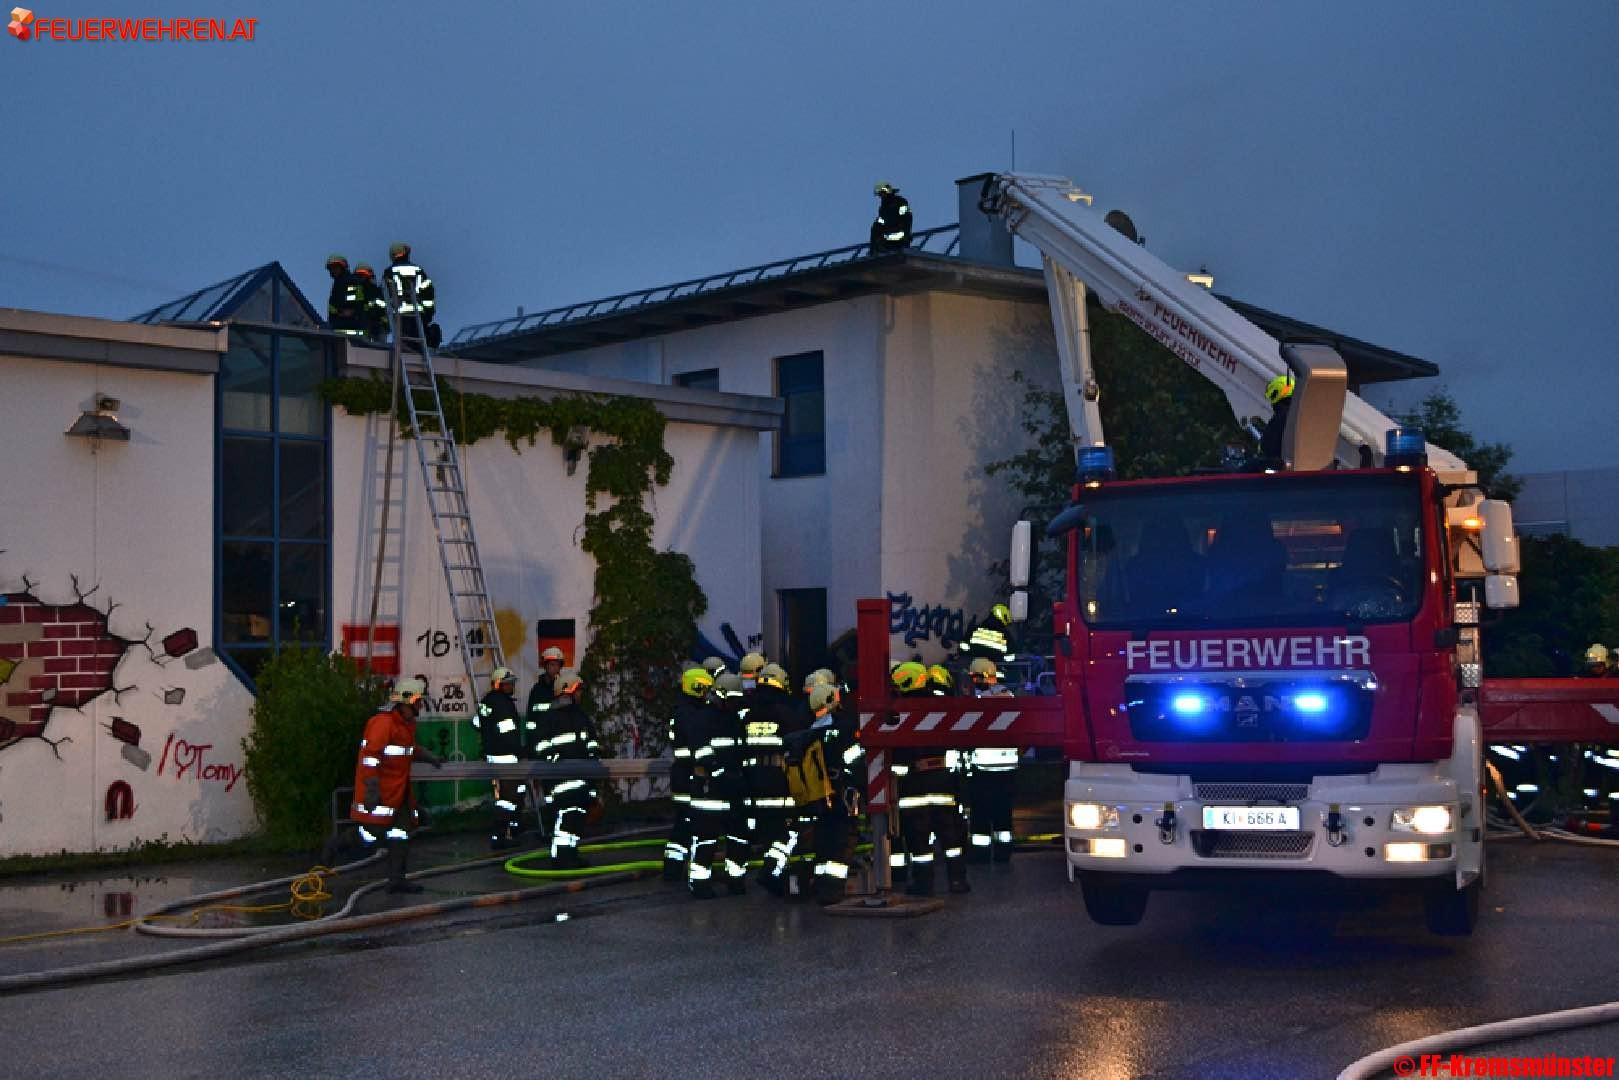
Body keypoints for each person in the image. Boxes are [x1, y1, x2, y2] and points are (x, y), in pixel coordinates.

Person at [351, 677, 443, 892]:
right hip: (382, 791)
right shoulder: (383, 723)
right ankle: (337, 845)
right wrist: (372, 790)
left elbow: (408, 750)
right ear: (406, 701)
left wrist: (431, 757)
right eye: (418, 701)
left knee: (400, 832)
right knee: (372, 832)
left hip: (398, 791)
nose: (421, 705)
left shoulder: (405, 724)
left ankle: (397, 880)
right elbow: (370, 757)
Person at [890, 662, 969, 897]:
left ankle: (924, 884)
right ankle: (957, 880)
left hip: (914, 785)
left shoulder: (899, 710)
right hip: (943, 781)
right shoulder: (940, 706)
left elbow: (897, 752)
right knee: (951, 835)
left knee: (918, 838)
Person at [687, 673, 751, 898]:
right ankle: (700, 883)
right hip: (709, 790)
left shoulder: (735, 720)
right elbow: (701, 751)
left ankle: (735, 880)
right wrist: (720, 773)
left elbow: (742, 750)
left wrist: (741, 777)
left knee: (739, 837)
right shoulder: (702, 719)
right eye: (732, 699)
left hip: (733, 788)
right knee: (706, 838)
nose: (735, 704)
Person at [533, 668, 601, 868]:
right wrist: (551, 757)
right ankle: (560, 858)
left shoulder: (580, 716)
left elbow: (591, 741)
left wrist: (593, 757)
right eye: (578, 691)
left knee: (577, 817)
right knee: (566, 818)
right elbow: (539, 744)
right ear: (567, 691)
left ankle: (570, 854)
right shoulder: (550, 718)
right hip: (561, 780)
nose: (581, 695)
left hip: (580, 779)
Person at [741, 661, 798, 895]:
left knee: (767, 834)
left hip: (753, 782)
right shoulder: (785, 712)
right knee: (790, 832)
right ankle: (772, 870)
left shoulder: (748, 713)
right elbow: (797, 744)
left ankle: (775, 875)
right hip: (779, 783)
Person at [966, 658, 1019, 865]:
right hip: (1008, 769)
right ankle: (1003, 852)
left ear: (981, 676)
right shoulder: (1009, 696)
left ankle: (980, 854)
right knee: (1003, 813)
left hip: (983, 768)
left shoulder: (979, 700)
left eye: (974, 677)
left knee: (981, 813)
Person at [665, 665, 713, 881]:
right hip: (689, 775)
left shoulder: (680, 710)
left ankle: (672, 868)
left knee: (682, 823)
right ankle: (683, 871)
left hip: (680, 774)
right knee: (692, 823)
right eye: (705, 689)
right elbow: (698, 744)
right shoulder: (691, 714)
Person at [472, 666, 528, 850]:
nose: (511, 686)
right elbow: (509, 734)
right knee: (508, 799)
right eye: (508, 683)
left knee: (506, 796)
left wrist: (489, 737)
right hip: (506, 758)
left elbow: (476, 722)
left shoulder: (487, 701)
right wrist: (521, 752)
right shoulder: (503, 704)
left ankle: (508, 832)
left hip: (493, 757)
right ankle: (502, 836)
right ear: (500, 684)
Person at [386, 242, 437, 349]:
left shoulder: (389, 272)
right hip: (419, 315)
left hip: (400, 316)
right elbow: (428, 293)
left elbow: (386, 294)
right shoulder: (419, 271)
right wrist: (428, 314)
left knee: (405, 346)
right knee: (418, 345)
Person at [526, 646, 566, 746]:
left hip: (560, 740)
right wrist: (531, 742)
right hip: (541, 740)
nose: (556, 668)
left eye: (558, 665)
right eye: (552, 665)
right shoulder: (537, 690)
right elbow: (531, 719)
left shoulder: (565, 689)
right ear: (545, 666)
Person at [324, 254, 369, 338]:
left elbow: (354, 306)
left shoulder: (350, 281)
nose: (332, 271)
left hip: (351, 329)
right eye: (331, 268)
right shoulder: (339, 283)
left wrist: (344, 312)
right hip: (341, 328)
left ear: (342, 267)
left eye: (335, 268)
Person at [870, 181, 913, 254]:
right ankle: (874, 251)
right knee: (875, 227)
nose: (881, 197)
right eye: (880, 195)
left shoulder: (901, 202)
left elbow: (907, 219)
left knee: (882, 238)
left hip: (900, 235)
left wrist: (906, 236)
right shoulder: (883, 208)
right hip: (888, 235)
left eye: (882, 194)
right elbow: (879, 223)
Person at [1259, 373, 1294, 461]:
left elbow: (1268, 446)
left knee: (1247, 467)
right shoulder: (1301, 413)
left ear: (1276, 393)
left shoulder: (1281, 416)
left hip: (1278, 465)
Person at [354, 263, 388, 343]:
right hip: (369, 324)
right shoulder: (379, 291)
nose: (361, 278)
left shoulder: (378, 291)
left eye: (362, 275)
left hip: (376, 324)